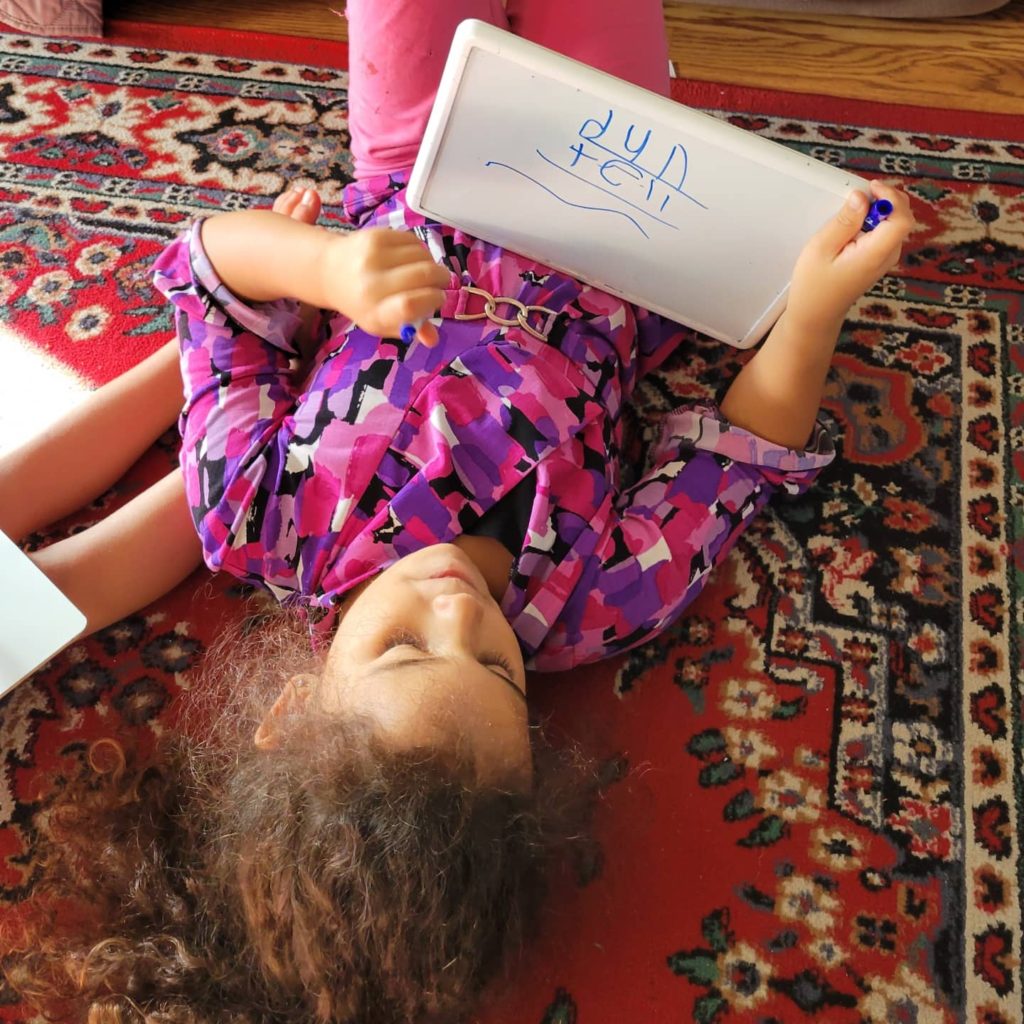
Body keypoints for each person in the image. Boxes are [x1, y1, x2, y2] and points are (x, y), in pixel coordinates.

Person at [0, 0, 914, 1021]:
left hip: (420, 155)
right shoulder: (597, 600)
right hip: (616, 221)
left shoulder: (258, 513)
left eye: (401, 649)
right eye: (493, 669)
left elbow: (209, 280)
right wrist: (815, 311)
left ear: (294, 706)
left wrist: (323, 267)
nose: (456, 608)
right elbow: (742, 452)